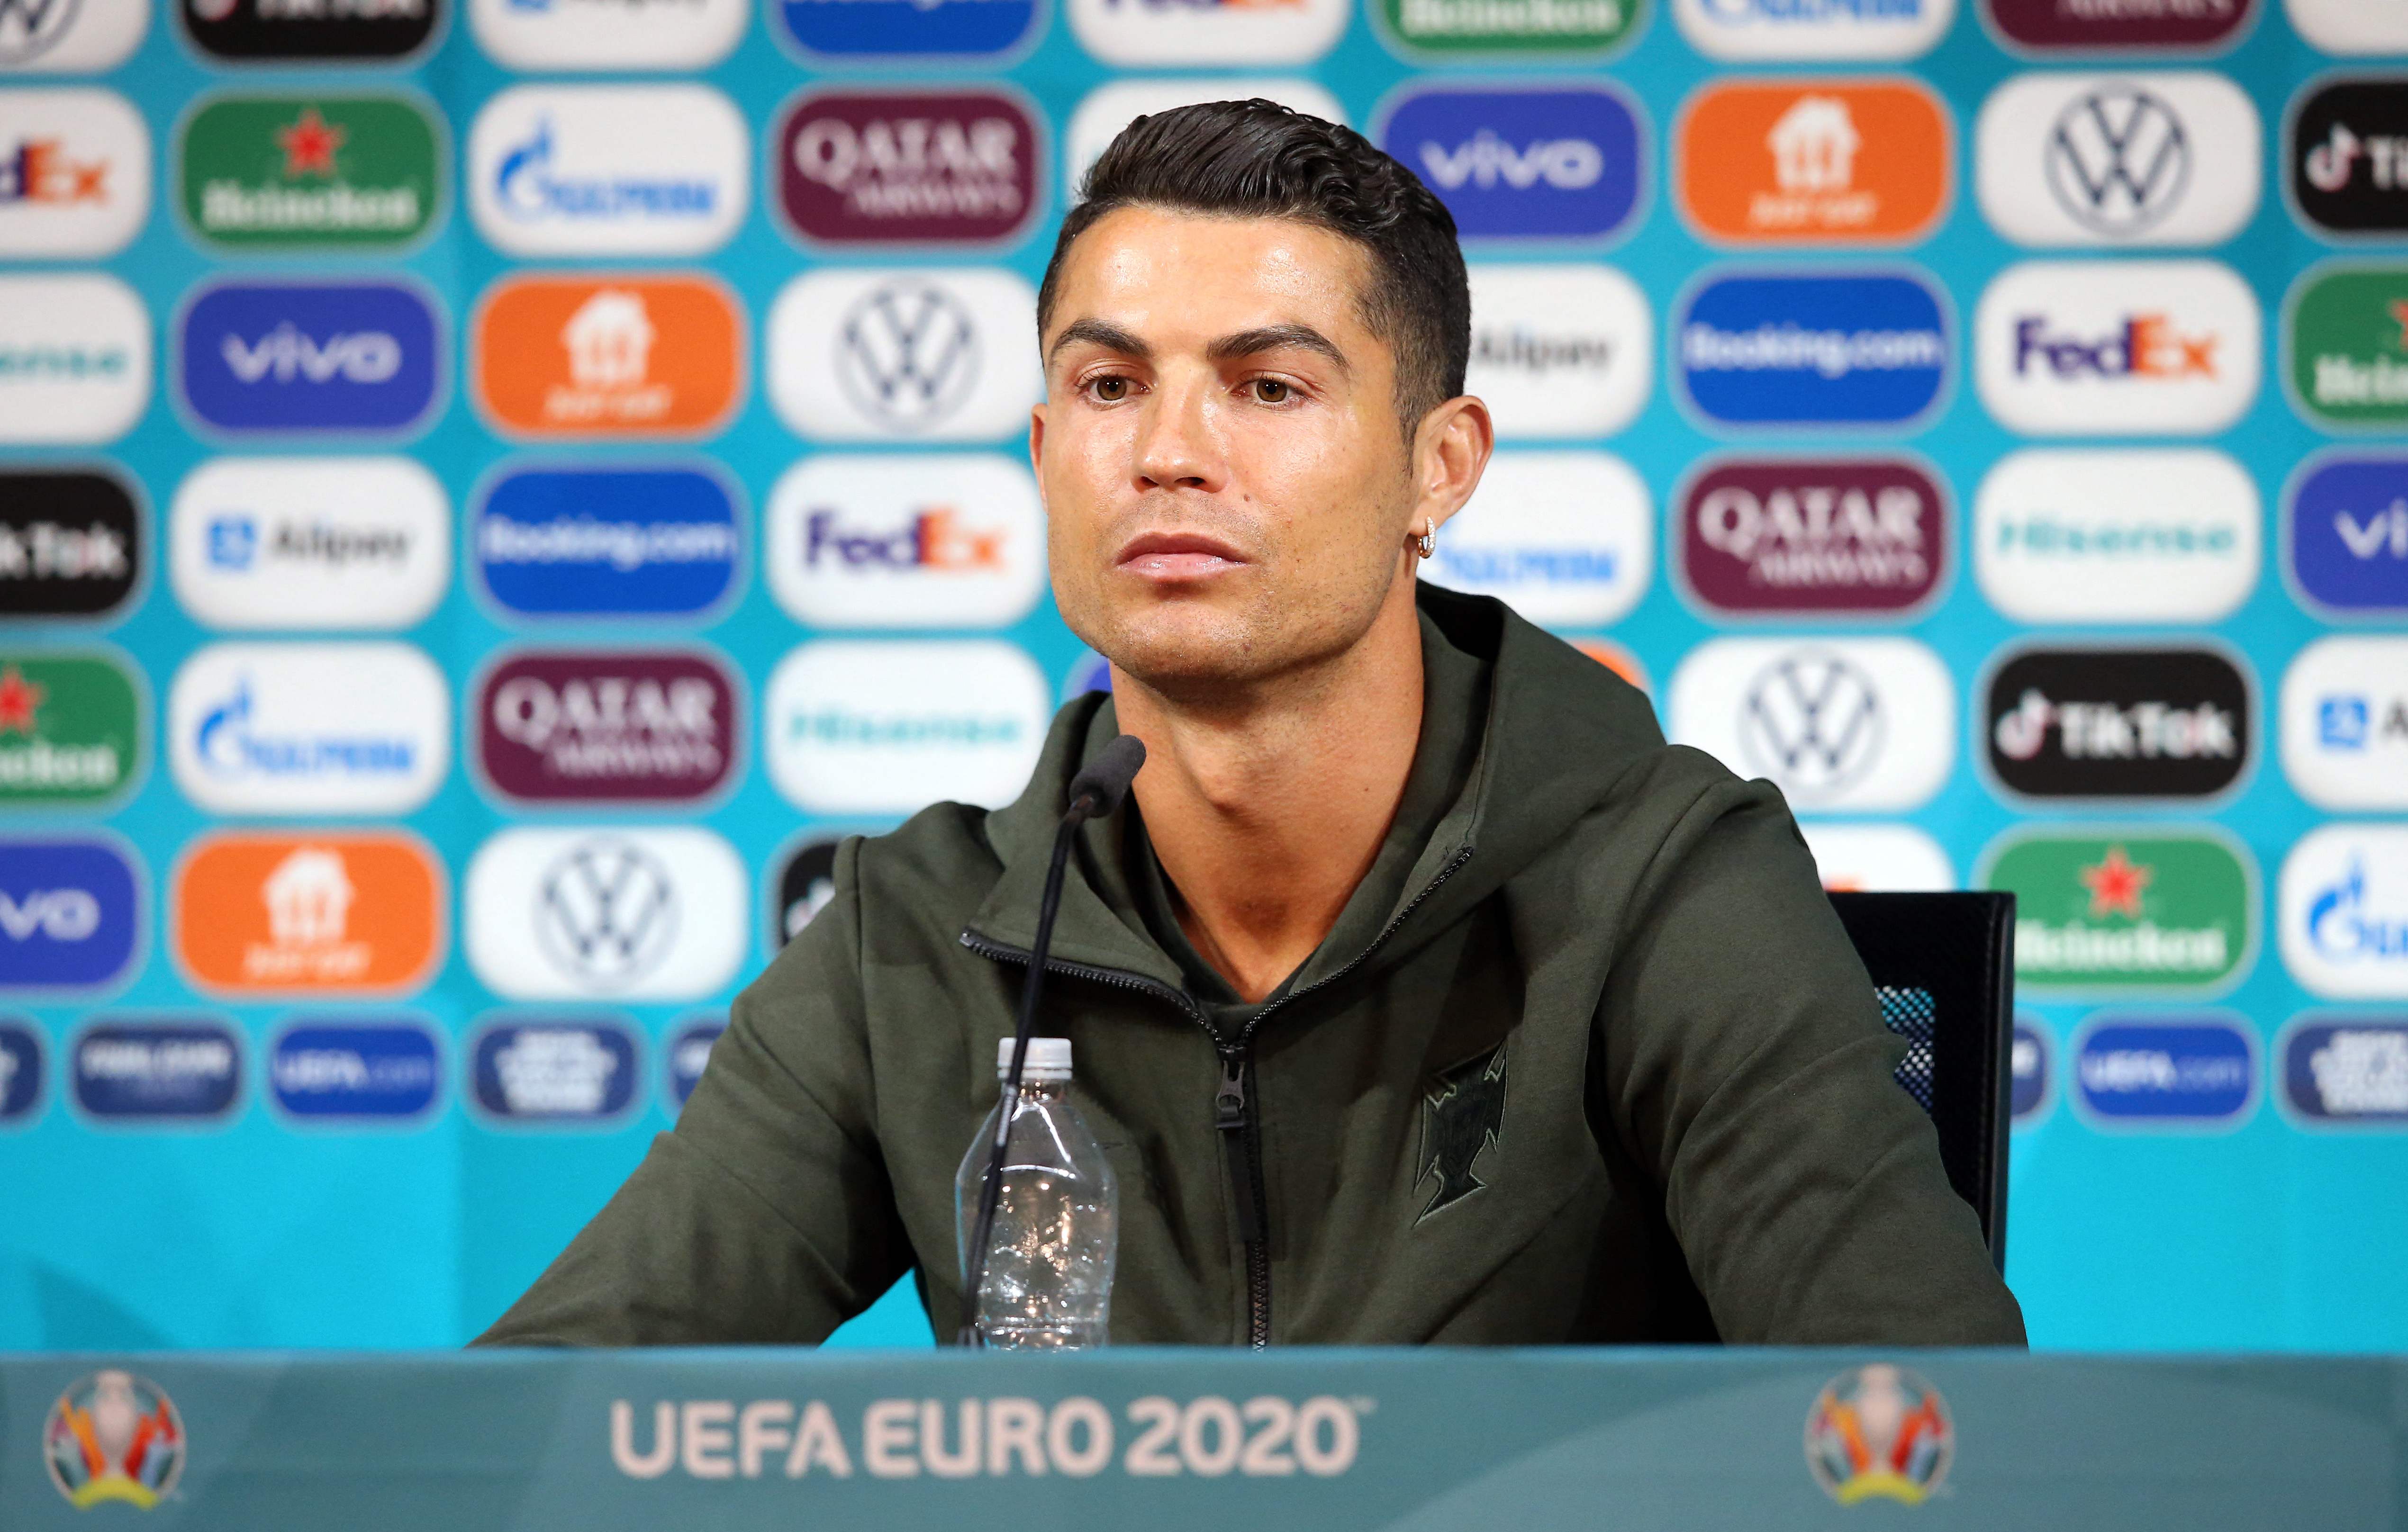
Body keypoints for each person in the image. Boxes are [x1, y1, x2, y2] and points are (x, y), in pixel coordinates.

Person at [477, 101, 2026, 1349]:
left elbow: (1928, 1437)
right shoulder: (922, 938)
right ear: (1040, 448)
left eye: (1267, 387)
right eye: (1105, 386)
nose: (1165, 451)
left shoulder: (1660, 883)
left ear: (1439, 467)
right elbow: (559, 1405)